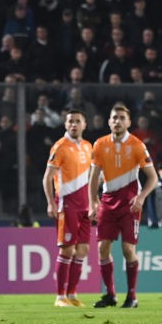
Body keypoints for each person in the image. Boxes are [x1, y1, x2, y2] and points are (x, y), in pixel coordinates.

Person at [88, 103, 158, 309]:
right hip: (108, 201)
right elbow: (93, 178)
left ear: (128, 122)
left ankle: (132, 296)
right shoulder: (99, 144)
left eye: (121, 118)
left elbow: (153, 178)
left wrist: (141, 197)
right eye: (114, 118)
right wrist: (93, 202)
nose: (117, 121)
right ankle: (110, 295)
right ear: (109, 121)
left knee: (128, 249)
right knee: (102, 248)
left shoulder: (137, 145)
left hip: (130, 203)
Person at [42, 108, 93, 307]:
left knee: (82, 250)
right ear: (65, 124)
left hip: (85, 205)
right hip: (67, 204)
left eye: (77, 121)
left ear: (84, 124)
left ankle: (72, 294)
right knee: (67, 250)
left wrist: (94, 200)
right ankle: (60, 296)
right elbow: (47, 177)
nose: (74, 124)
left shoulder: (89, 146)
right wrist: (50, 202)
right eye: (70, 121)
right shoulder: (60, 147)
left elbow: (90, 177)